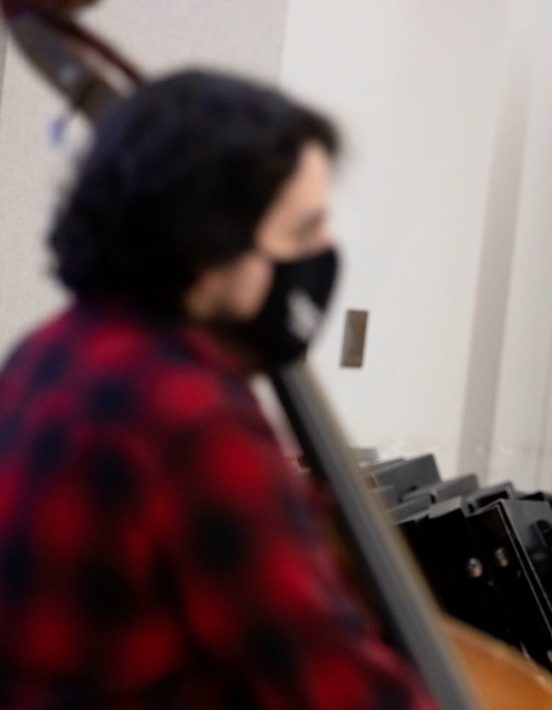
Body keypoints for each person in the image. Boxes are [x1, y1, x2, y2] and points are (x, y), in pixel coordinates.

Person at [0, 71, 433, 708]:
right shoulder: (190, 421)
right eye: (302, 232)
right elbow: (335, 687)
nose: (324, 252)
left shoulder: (43, 353)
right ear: (207, 249)